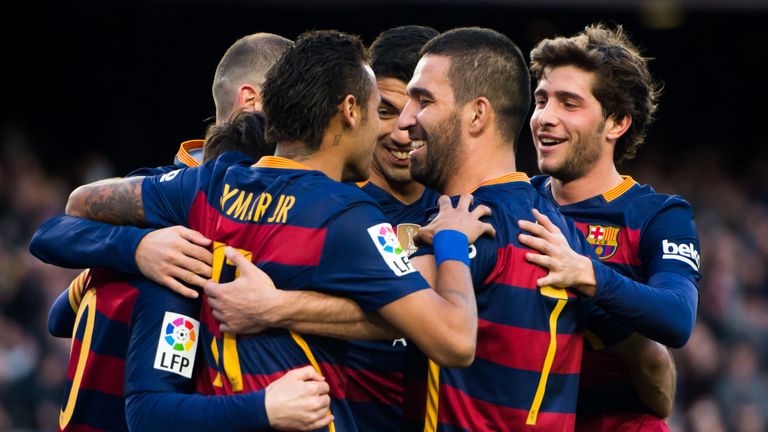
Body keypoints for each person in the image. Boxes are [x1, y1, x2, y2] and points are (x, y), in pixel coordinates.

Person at [61, 29, 494, 432]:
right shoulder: (346, 217)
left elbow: (82, 204)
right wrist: (451, 241)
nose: (393, 128)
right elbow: (455, 341)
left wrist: (138, 247)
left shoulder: (207, 186)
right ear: (349, 111)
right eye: (377, 108)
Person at [391, 26, 629, 432]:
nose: (405, 120)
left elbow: (376, 305)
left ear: (477, 114)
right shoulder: (561, 232)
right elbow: (653, 363)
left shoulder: (469, 222)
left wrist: (274, 306)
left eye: (423, 100)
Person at [517, 23, 701, 430]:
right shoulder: (514, 203)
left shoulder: (657, 215)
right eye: (542, 100)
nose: (545, 118)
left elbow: (677, 317)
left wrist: (587, 273)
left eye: (569, 103)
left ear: (617, 122)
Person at [346, 24, 440, 431]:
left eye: (419, 111)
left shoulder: (471, 207)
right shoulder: (327, 202)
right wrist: (136, 247)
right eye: (385, 111)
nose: (403, 131)